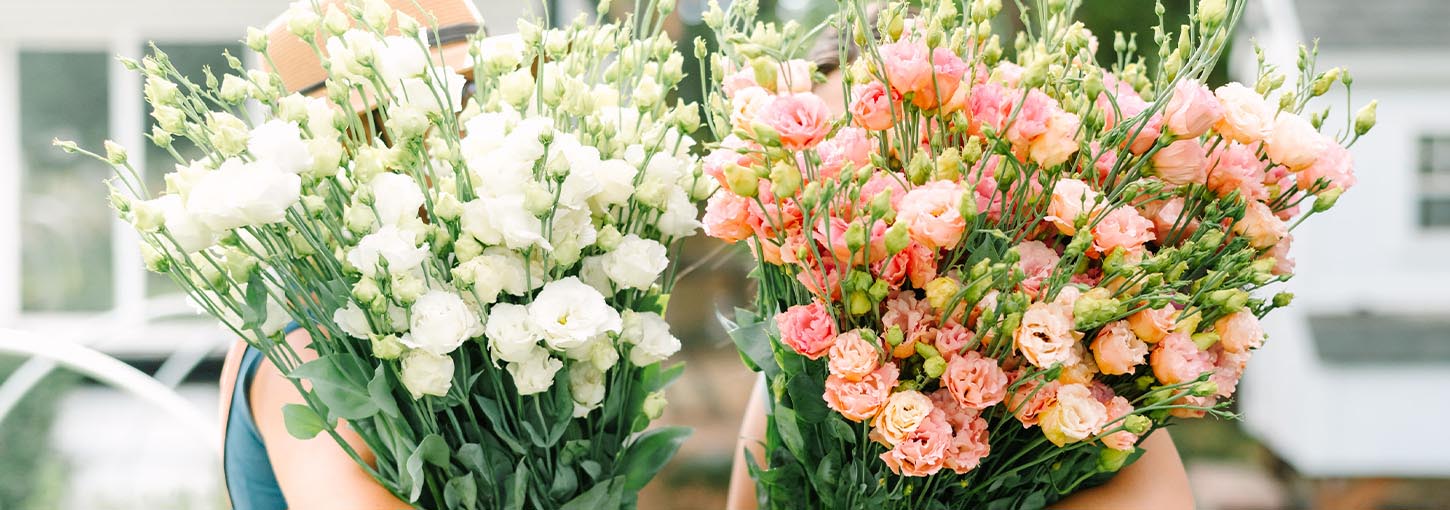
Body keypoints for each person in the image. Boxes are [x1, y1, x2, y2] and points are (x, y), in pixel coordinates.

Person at [725, 16, 1196, 510]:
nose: (849, 188)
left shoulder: (1042, 345)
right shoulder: (799, 355)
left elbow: (1167, 500)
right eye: (831, 159)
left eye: (879, 154)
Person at [216, 1, 482, 508]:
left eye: (469, 95)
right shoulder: (303, 344)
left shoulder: (435, 301)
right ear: (372, 141)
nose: (469, 130)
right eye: (453, 104)